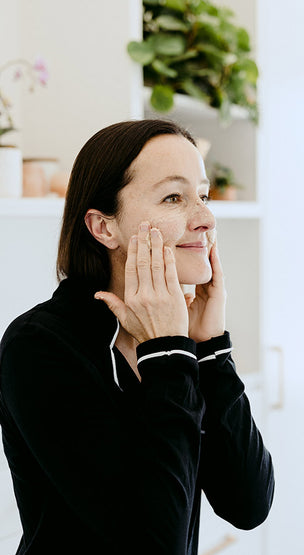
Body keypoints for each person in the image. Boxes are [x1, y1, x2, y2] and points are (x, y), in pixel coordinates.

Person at [0, 119, 274, 554]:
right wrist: (167, 353)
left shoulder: (181, 343)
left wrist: (211, 349)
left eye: (202, 195)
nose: (205, 218)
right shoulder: (38, 347)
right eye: (173, 197)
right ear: (103, 227)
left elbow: (249, 504)